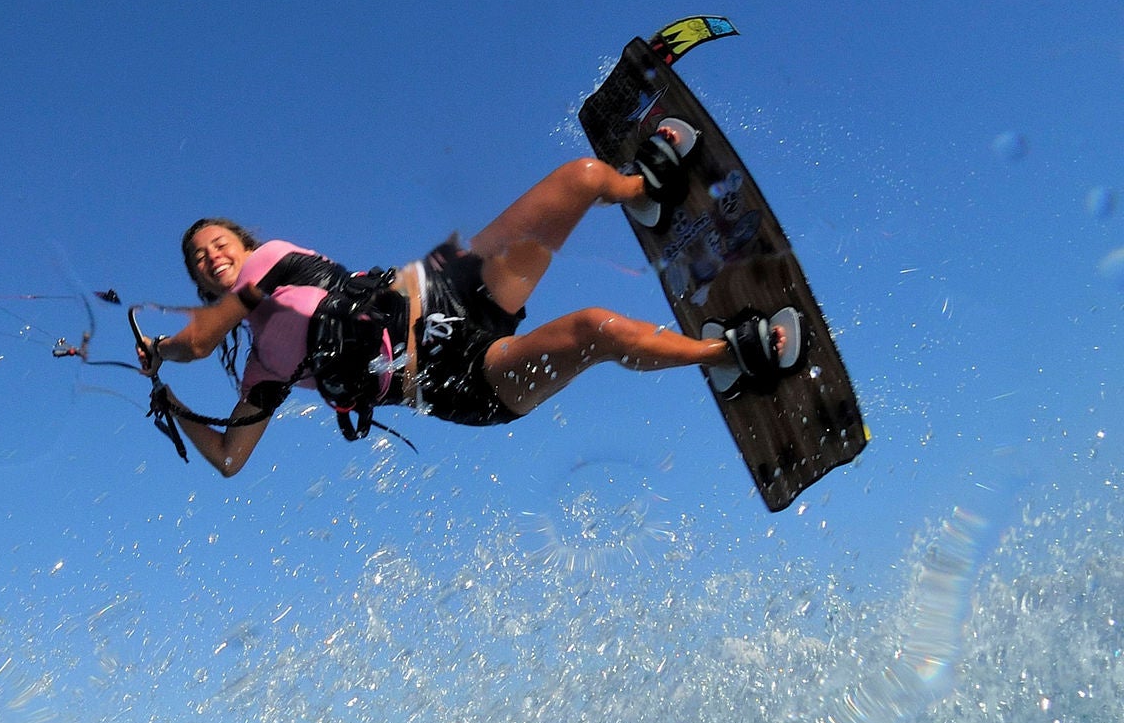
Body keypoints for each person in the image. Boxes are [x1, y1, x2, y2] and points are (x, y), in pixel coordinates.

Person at [137, 124, 800, 476]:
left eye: (217, 241)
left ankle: (639, 190)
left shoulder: (271, 260)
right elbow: (229, 458)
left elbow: (195, 341)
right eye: (200, 259)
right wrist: (172, 403)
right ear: (200, 284)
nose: (212, 254)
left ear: (241, 242)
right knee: (595, 330)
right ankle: (726, 353)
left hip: (446, 289)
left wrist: (160, 350)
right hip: (455, 382)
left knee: (584, 177)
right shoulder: (262, 371)